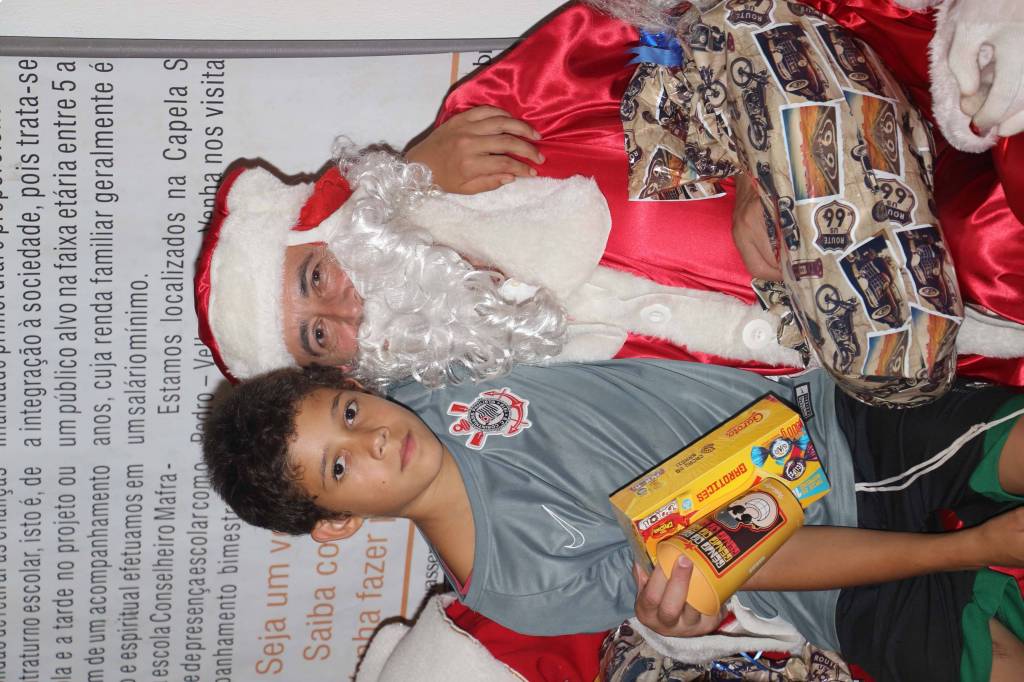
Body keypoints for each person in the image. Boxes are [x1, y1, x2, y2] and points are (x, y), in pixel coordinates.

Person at [203, 358, 1024, 680]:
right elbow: (761, 555)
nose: (375, 439)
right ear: (337, 523)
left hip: (836, 426)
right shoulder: (517, 586)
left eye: (349, 411)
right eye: (339, 468)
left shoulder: (436, 374)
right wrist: (965, 550)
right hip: (835, 590)